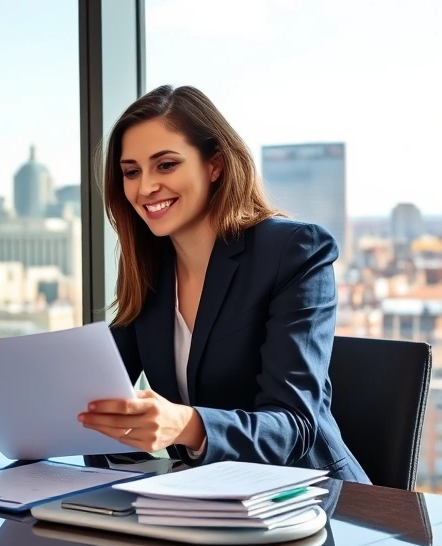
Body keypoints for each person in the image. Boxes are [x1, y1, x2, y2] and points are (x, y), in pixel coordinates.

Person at [77, 85, 369, 483]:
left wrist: (187, 426)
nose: (145, 188)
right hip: (198, 502)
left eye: (165, 165)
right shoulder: (151, 267)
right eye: (131, 172)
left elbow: (295, 425)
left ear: (214, 165)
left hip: (307, 503)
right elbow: (96, 389)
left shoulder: (294, 251)